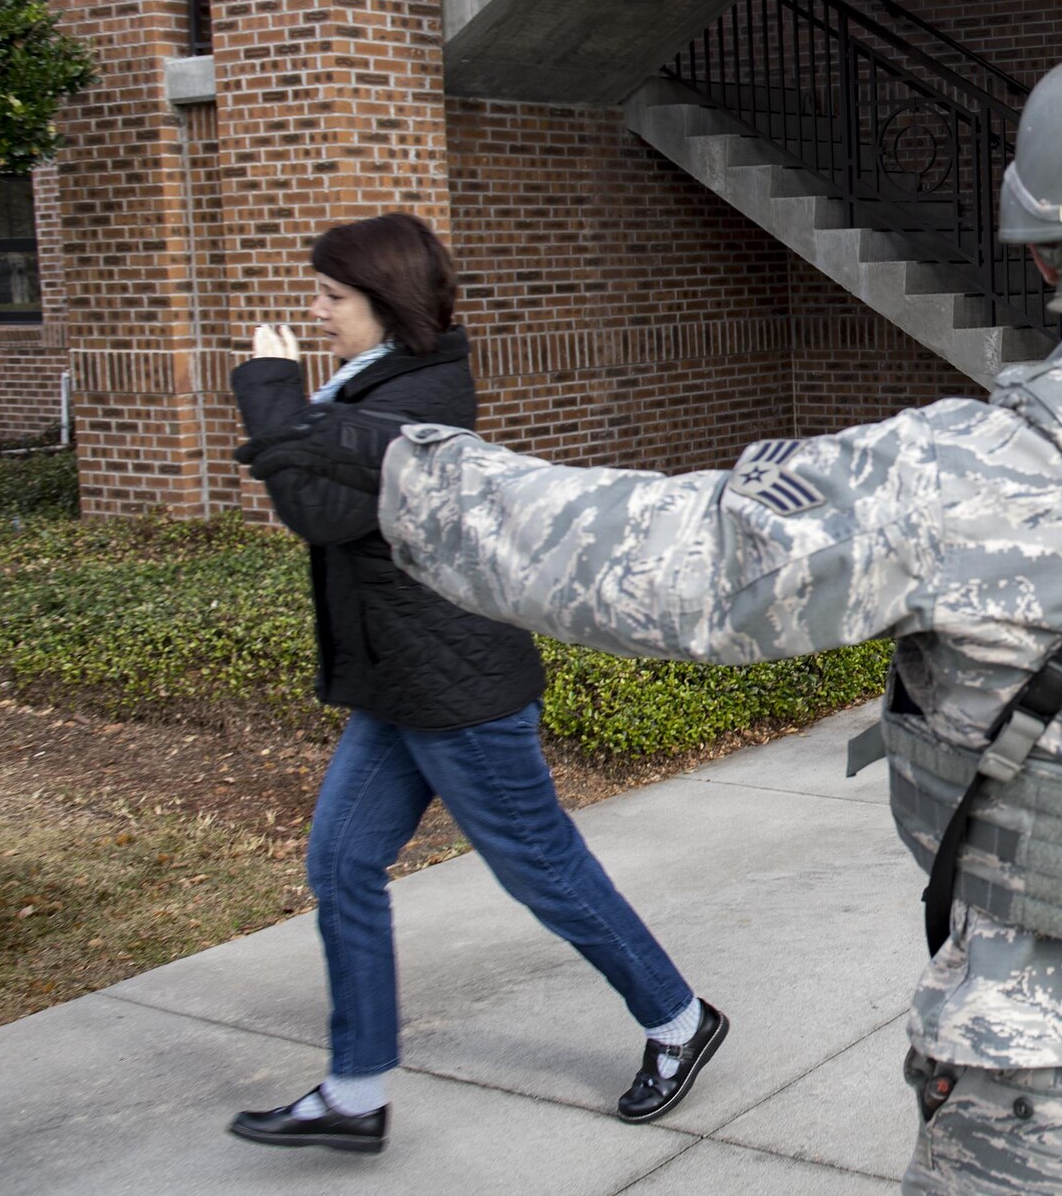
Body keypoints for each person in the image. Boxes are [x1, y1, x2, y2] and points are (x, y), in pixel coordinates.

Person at [242, 47, 1062, 1193]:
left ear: (1035, 247)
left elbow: (668, 566)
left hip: (1059, 1100)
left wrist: (402, 462)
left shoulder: (956, 471)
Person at [225, 212, 725, 1155]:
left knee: (540, 867)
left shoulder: (419, 398)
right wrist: (297, 402)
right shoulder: (368, 382)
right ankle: (355, 1089)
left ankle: (678, 1018)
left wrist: (266, 388)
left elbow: (321, 508)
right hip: (399, 678)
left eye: (333, 296)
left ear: (385, 301)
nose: (317, 310)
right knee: (340, 863)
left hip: (455, 683)